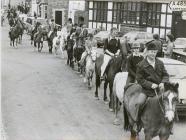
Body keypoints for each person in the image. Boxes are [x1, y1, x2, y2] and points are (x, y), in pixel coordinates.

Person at [132, 40, 169, 131]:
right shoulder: (141, 65)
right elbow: (139, 79)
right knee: (139, 103)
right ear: (147, 52)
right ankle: (137, 123)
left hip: (160, 90)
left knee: (170, 102)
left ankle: (169, 125)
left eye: (155, 52)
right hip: (147, 91)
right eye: (151, 52)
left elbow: (165, 75)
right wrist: (150, 84)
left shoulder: (160, 63)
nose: (153, 54)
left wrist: (162, 82)